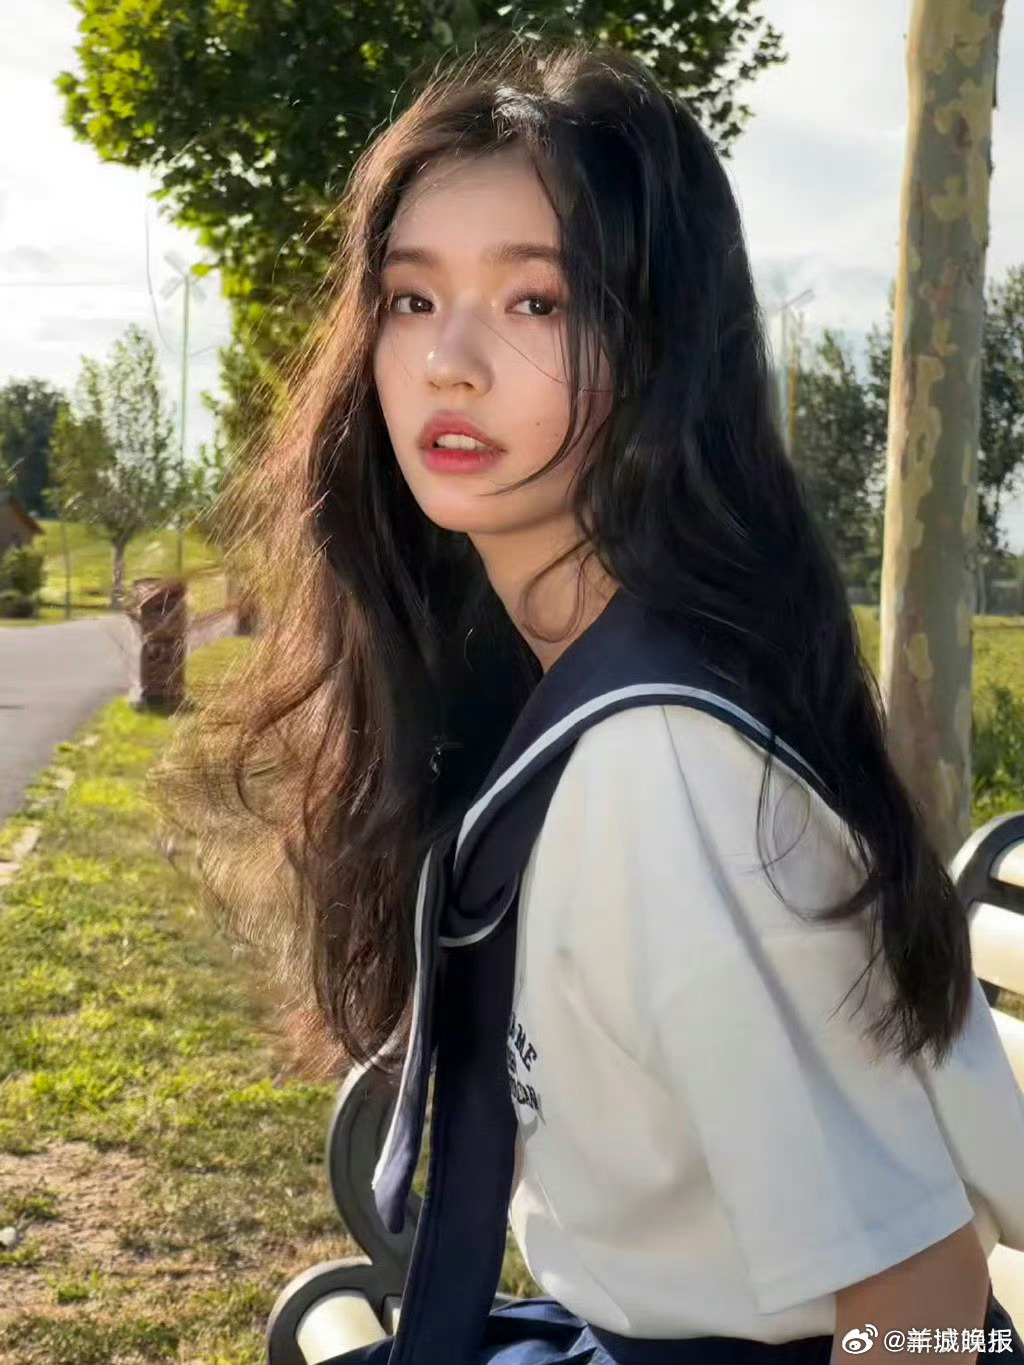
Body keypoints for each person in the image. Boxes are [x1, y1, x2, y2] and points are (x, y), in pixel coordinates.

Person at [160, 35, 1024, 1365]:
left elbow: (927, 1308)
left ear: (662, 347)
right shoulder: (552, 682)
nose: (448, 361)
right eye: (409, 298)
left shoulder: (664, 763)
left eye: (536, 301)